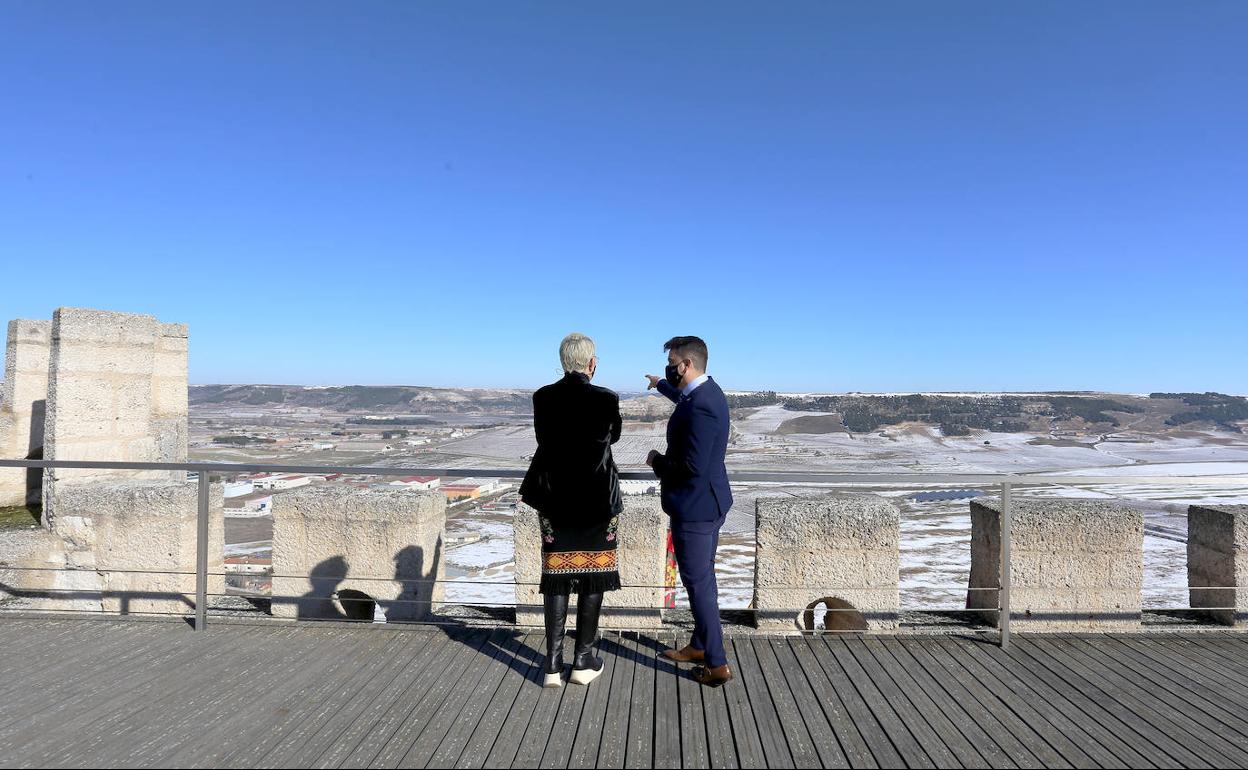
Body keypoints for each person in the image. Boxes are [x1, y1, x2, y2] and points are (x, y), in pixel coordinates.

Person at [520, 333, 623, 688]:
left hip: (554, 498)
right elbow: (615, 436)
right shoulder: (607, 399)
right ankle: (583, 659)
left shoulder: (542, 397)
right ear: (591, 363)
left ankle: (551, 664)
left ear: (563, 362)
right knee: (594, 573)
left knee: (557, 574)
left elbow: (543, 439)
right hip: (597, 500)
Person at [645, 335, 734, 687]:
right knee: (701, 580)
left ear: (688, 364)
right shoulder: (706, 392)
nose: (670, 367)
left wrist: (657, 462)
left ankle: (717, 664)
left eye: (672, 363)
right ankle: (700, 645)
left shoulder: (701, 405)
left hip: (695, 508)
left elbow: (692, 466)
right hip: (708, 503)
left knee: (699, 586)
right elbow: (684, 397)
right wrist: (661, 385)